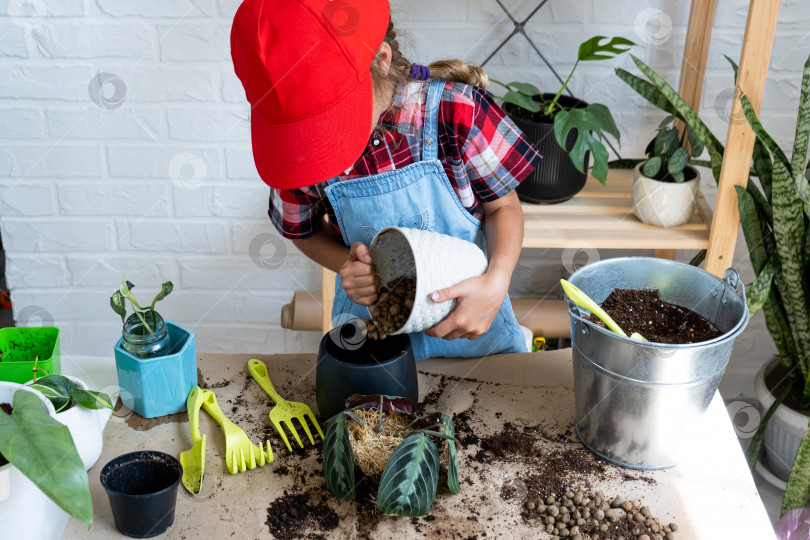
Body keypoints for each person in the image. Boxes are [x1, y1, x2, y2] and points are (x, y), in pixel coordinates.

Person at [230, 0, 542, 360]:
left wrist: (497, 281)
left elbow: (505, 206)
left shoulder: (457, 112)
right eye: (304, 132)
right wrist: (348, 263)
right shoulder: (296, 153)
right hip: (370, 341)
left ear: (381, 59)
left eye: (329, 123)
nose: (318, 148)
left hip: (474, 330)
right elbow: (301, 230)